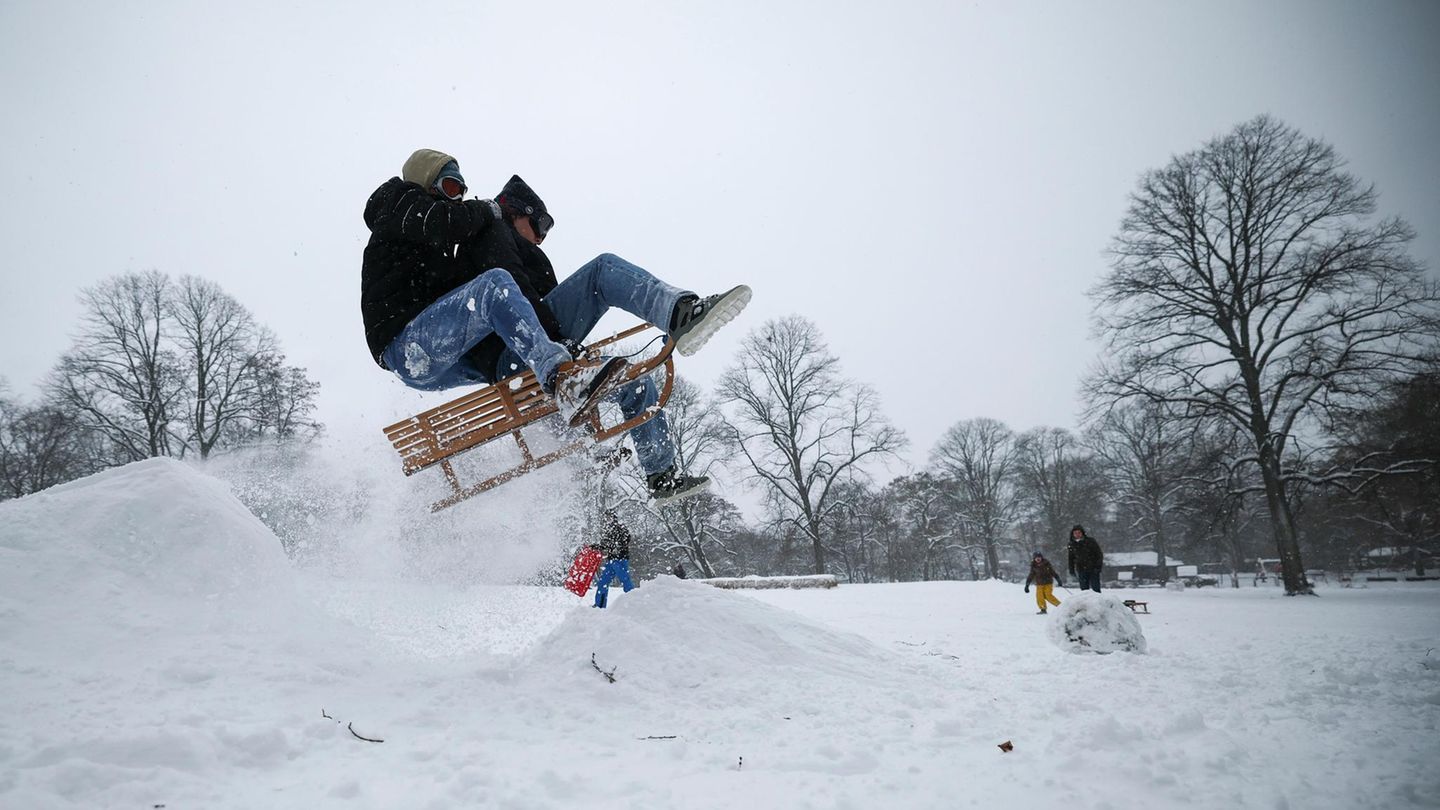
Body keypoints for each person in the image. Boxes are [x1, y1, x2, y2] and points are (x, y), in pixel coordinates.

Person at [361, 149, 750, 502]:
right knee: (504, 285)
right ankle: (564, 377)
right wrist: (562, 351)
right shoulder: (420, 211)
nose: (542, 236)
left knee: (631, 372)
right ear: (514, 212)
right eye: (538, 223)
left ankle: (662, 471)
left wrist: (570, 352)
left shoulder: (468, 246)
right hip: (416, 345)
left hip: (501, 354)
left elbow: (521, 305)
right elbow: (465, 246)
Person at [592, 510, 636, 609]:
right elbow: (605, 546)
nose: (607, 519)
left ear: (614, 518)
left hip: (620, 559)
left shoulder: (621, 528)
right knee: (603, 582)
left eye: (609, 517)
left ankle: (634, 602)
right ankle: (599, 606)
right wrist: (597, 547)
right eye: (606, 518)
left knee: (625, 581)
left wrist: (616, 546)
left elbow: (626, 539)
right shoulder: (607, 531)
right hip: (611, 561)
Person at [1067, 525, 1104, 593]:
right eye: (1075, 533)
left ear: (1082, 533)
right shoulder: (1071, 544)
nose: (1077, 534)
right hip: (1081, 569)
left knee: (1096, 589)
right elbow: (1071, 558)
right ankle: (1086, 603)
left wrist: (1098, 567)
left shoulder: (1090, 541)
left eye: (1079, 532)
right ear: (1073, 534)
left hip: (1093, 568)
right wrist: (1071, 569)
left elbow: (1099, 554)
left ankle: (1098, 603)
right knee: (1084, 590)